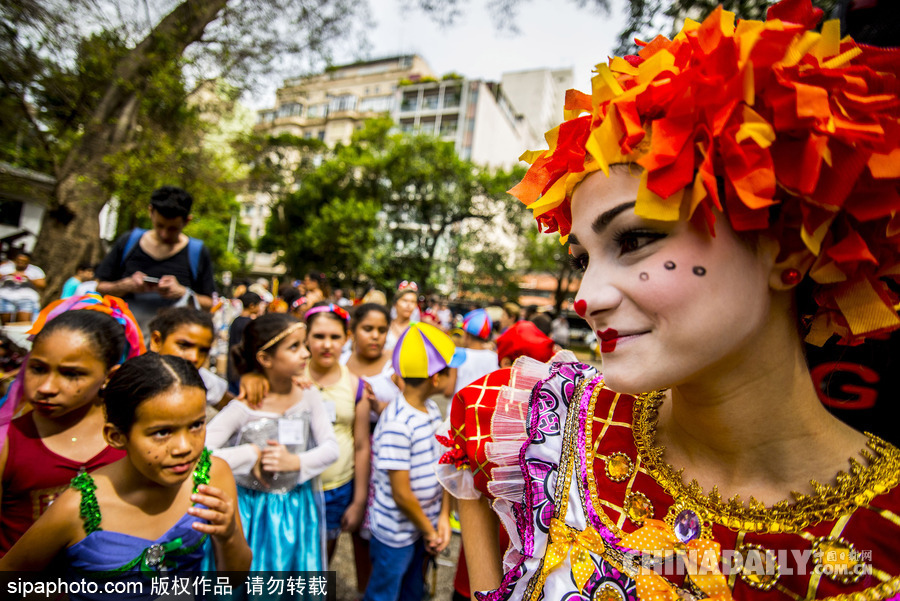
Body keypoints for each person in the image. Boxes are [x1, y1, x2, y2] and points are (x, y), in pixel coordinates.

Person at [440, 2, 900, 599]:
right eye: (581, 258)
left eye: (634, 239)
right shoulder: (523, 425)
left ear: (788, 248)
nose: (585, 297)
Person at [0, 352, 252, 584]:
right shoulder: (77, 508)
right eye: (162, 432)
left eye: (196, 425)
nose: (184, 446)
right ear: (116, 436)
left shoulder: (212, 476)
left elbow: (234, 579)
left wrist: (228, 535)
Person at [0, 294, 144, 555]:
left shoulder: (132, 437)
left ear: (109, 377)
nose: (46, 388)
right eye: (38, 369)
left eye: (71, 374)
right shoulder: (8, 442)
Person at [206, 312, 338, 571]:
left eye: (303, 344)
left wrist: (295, 461)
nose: (305, 353)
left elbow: (331, 448)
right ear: (265, 358)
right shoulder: (245, 406)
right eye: (294, 347)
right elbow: (201, 453)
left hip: (296, 507)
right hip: (249, 510)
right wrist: (249, 454)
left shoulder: (308, 396)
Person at [365, 323, 460, 601]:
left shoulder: (430, 410)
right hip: (395, 535)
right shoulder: (397, 423)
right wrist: (430, 529)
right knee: (384, 593)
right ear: (435, 379)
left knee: (412, 591)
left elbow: (442, 464)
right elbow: (401, 493)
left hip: (423, 527)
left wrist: (443, 517)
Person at [94, 186, 216, 336]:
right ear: (150, 211)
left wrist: (183, 292)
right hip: (124, 338)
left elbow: (209, 303)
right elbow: (99, 286)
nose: (164, 234)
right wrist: (125, 286)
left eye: (172, 229)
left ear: (187, 221)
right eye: (159, 226)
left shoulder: (197, 252)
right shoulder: (128, 242)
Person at [303, 303, 371, 563]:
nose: (327, 344)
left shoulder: (356, 386)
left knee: (322, 557)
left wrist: (358, 501)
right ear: (306, 338)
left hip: (337, 488)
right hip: (293, 487)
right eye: (319, 336)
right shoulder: (289, 377)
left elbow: (362, 445)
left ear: (346, 338)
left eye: (334, 337)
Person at [343, 303, 401, 593]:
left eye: (381, 330)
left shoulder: (395, 365)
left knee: (383, 529)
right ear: (352, 331)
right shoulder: (339, 366)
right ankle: (363, 585)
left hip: (389, 459)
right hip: (348, 454)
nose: (375, 336)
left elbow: (415, 406)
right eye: (368, 329)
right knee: (356, 524)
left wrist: (381, 406)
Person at [148, 307, 231, 413]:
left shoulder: (202, 379)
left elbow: (234, 406)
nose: (194, 357)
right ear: (157, 341)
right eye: (184, 346)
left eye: (203, 351)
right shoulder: (134, 380)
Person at [452, 309, 499, 397]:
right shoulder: (494, 357)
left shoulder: (458, 354)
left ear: (466, 335)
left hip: (458, 409)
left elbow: (448, 391)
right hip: (480, 408)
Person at [0, 250, 46, 324]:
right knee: (6, 324)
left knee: (23, 323)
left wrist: (29, 278)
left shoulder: (35, 270)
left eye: (24, 261)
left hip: (26, 298)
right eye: (19, 260)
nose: (21, 263)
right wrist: (7, 275)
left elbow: (42, 285)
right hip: (6, 298)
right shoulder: (6, 268)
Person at [385, 283, 419, 352]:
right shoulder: (385, 325)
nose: (408, 305)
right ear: (395, 303)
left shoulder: (418, 329)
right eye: (405, 300)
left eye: (412, 302)